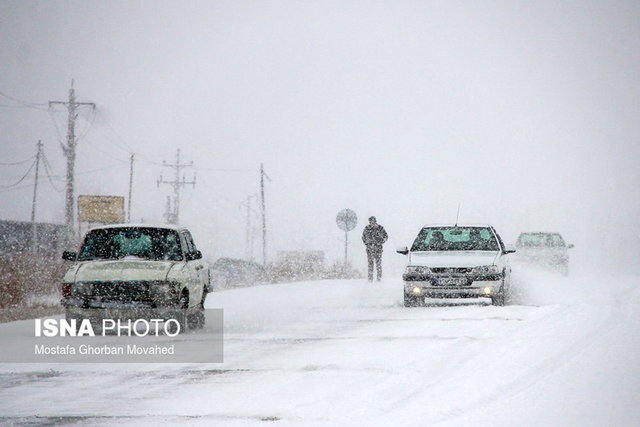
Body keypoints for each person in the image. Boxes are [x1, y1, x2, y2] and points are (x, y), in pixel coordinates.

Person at [361, 216, 388, 282]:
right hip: (370, 249)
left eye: (373, 221)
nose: (372, 222)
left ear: (375, 221)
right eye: (370, 221)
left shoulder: (380, 228)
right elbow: (363, 237)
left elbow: (386, 236)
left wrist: (380, 242)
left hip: (378, 249)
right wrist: (367, 244)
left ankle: (379, 279)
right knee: (370, 264)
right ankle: (370, 279)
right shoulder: (367, 228)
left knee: (378, 264)